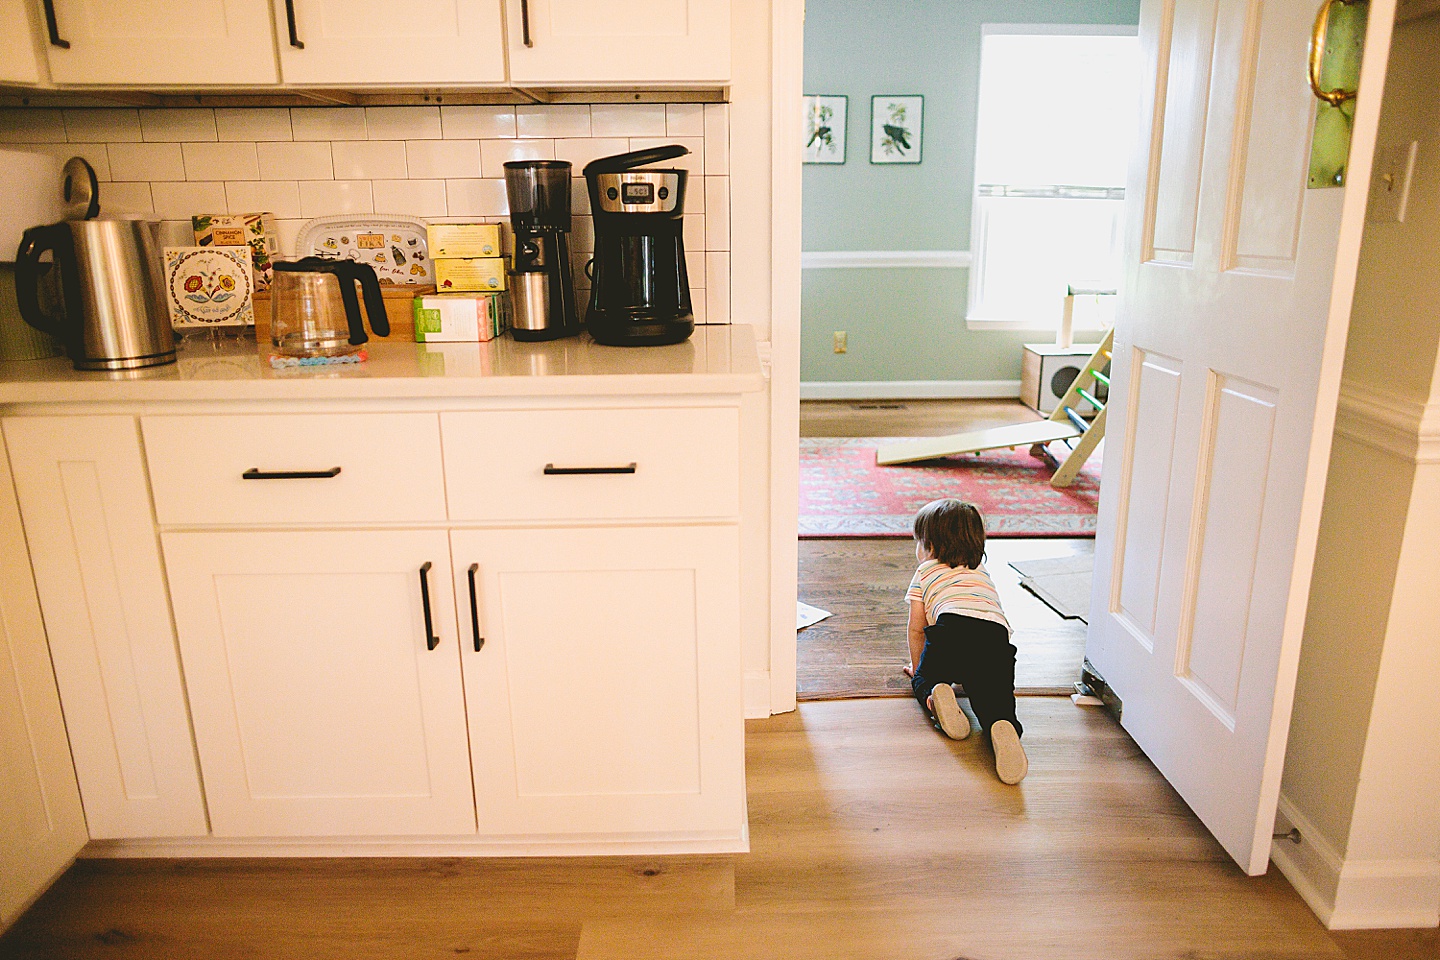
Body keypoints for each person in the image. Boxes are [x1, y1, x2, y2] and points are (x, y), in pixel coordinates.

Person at [903, 498, 1028, 784]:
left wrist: (917, 666)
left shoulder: (925, 572)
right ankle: (1002, 723)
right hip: (996, 638)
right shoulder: (981, 571)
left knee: (926, 677)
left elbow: (917, 629)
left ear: (929, 547)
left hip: (951, 630)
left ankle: (937, 695)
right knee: (993, 696)